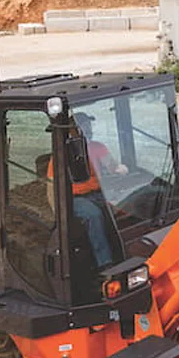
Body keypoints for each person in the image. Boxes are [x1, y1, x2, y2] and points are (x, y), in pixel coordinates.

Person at [47, 112, 125, 270]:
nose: (88, 129)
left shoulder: (98, 147)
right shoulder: (61, 154)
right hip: (75, 198)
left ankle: (124, 251)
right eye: (84, 126)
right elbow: (51, 185)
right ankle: (105, 263)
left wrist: (119, 169)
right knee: (93, 215)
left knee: (121, 208)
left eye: (88, 125)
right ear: (72, 130)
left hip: (98, 193)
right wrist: (57, 212)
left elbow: (112, 166)